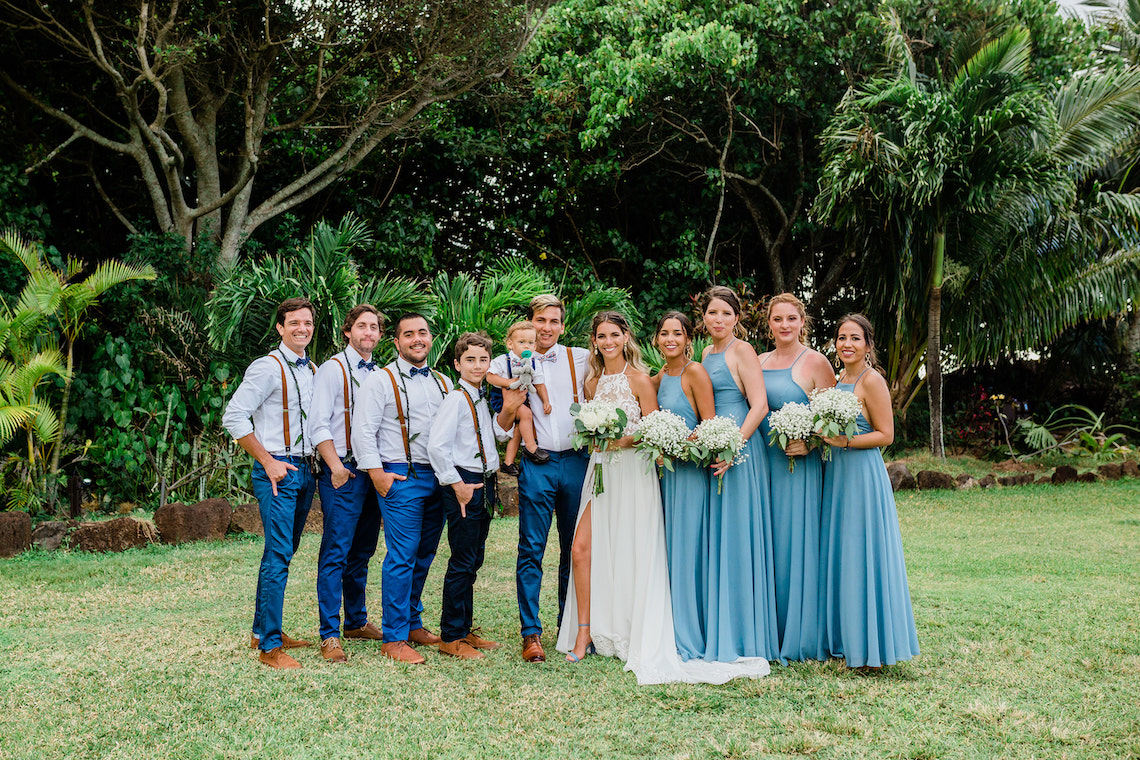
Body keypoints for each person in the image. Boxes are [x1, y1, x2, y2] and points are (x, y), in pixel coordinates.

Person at [556, 311, 769, 685]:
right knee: (582, 549)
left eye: (614, 335)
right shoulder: (591, 384)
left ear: (626, 338)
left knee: (634, 549)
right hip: (600, 470)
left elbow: (652, 429)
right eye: (601, 336)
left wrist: (621, 439)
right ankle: (584, 631)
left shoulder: (642, 380)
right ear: (594, 341)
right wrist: (593, 437)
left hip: (634, 473)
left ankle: (632, 629)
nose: (608, 342)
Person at [819, 314, 920, 668]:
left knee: (862, 552)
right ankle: (845, 639)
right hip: (836, 475)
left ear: (868, 344)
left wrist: (845, 441)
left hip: (862, 474)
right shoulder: (836, 380)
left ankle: (870, 646)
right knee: (842, 552)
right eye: (841, 337)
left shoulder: (871, 380)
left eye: (855, 338)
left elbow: (886, 435)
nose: (847, 344)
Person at [222, 297, 318, 669]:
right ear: (280, 328)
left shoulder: (311, 368)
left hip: (306, 470)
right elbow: (234, 417)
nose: (301, 329)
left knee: (283, 552)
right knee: (278, 555)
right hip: (277, 471)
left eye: (307, 323)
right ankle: (271, 648)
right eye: (294, 323)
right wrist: (268, 461)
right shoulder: (266, 368)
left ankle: (262, 631)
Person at [351, 313, 452, 665]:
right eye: (408, 334)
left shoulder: (443, 381)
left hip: (438, 478)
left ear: (430, 338)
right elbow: (362, 430)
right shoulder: (381, 380)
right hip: (400, 476)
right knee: (401, 556)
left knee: (424, 555)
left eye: (422, 333)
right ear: (396, 342)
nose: (416, 339)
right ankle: (393, 638)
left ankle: (412, 623)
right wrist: (377, 474)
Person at [427, 332, 527, 659]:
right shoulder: (456, 399)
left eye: (483, 359)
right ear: (457, 364)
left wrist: (511, 408)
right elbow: (437, 447)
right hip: (465, 482)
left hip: (486, 480)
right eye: (470, 359)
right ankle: (450, 637)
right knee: (461, 561)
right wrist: (456, 485)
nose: (478, 365)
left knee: (474, 559)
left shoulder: (480, 396)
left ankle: (465, 629)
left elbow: (496, 433)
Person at [700, 286, 780, 662]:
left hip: (742, 451)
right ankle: (722, 625)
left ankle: (745, 634)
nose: (718, 320)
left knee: (740, 535)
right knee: (722, 535)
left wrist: (734, 445)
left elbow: (760, 404)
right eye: (712, 313)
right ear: (704, 317)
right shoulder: (705, 353)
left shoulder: (742, 350)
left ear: (737, 318)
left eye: (726, 314)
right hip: (715, 446)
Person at [757, 293, 836, 663]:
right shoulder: (758, 361)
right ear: (768, 323)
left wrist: (812, 442)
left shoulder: (817, 362)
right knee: (767, 544)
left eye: (792, 318)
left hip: (798, 468)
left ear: (802, 321)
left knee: (794, 544)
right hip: (762, 466)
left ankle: (800, 634)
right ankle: (766, 630)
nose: (784, 325)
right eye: (777, 319)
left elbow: (835, 418)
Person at [514, 294, 589, 664]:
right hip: (538, 463)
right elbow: (502, 417)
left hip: (578, 462)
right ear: (531, 321)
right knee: (531, 549)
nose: (546, 328)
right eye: (540, 320)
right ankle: (531, 633)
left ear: (562, 324)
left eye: (553, 322)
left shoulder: (582, 358)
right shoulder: (513, 359)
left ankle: (569, 625)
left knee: (575, 550)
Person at [309, 304, 383, 663]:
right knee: (336, 552)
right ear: (348, 331)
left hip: (374, 473)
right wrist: (336, 466)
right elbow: (318, 424)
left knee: (364, 549)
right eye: (362, 326)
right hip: (345, 471)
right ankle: (329, 634)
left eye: (374, 327)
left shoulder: (382, 373)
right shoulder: (331, 369)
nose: (368, 332)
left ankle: (356, 621)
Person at [651, 311, 714, 661]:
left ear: (689, 338)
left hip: (689, 473)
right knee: (670, 550)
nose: (670, 338)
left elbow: (709, 424)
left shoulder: (695, 372)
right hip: (665, 476)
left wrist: (677, 446)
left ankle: (692, 632)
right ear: (657, 340)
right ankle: (669, 627)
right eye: (664, 333)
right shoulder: (659, 376)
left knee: (689, 549)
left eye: (677, 332)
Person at [486, 320, 552, 476]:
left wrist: (546, 401)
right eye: (521, 342)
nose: (526, 346)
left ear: (535, 346)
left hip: (521, 398)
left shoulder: (534, 363)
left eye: (530, 342)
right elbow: (489, 377)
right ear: (510, 344)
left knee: (518, 430)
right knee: (526, 414)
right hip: (501, 400)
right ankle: (531, 447)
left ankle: (508, 463)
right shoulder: (502, 361)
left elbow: (540, 384)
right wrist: (508, 382)